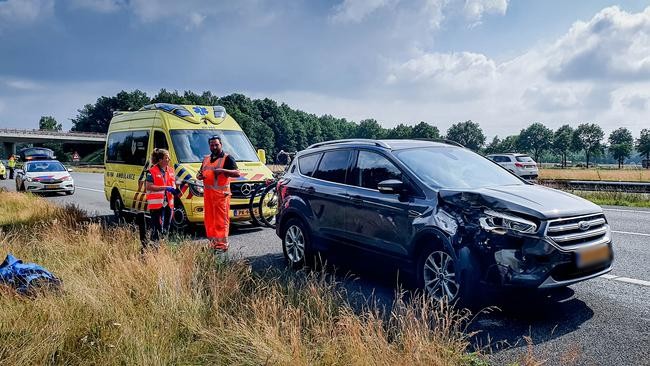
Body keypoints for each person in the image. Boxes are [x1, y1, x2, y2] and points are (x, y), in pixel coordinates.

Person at [196, 135, 240, 252]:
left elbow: (237, 173)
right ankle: (213, 243)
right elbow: (200, 173)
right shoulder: (206, 159)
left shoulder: (227, 158)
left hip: (221, 195)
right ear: (209, 146)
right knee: (209, 220)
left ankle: (222, 245)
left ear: (221, 145)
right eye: (212, 145)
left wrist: (222, 171)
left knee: (221, 220)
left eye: (216, 144)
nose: (214, 147)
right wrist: (199, 176)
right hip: (208, 195)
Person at [145, 148, 178, 249]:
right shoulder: (151, 171)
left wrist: (176, 189)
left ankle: (162, 245)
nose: (169, 160)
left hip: (168, 203)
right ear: (160, 160)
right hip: (156, 204)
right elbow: (149, 186)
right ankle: (154, 246)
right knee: (157, 226)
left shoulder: (171, 170)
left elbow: (173, 183)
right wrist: (165, 188)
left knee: (167, 225)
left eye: (168, 157)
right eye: (166, 158)